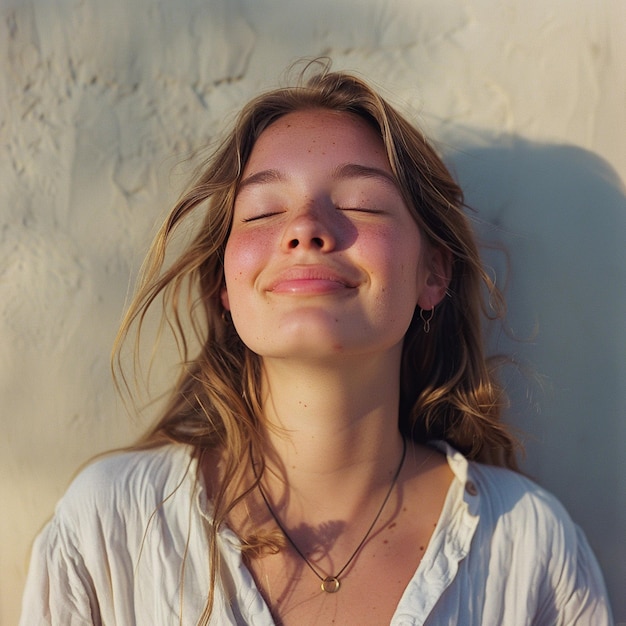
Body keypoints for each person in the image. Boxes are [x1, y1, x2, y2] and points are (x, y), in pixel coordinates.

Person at [20, 64, 613, 625]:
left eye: (360, 203)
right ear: (224, 284)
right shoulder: (110, 528)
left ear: (432, 273)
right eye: (263, 212)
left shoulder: (529, 544)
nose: (305, 229)